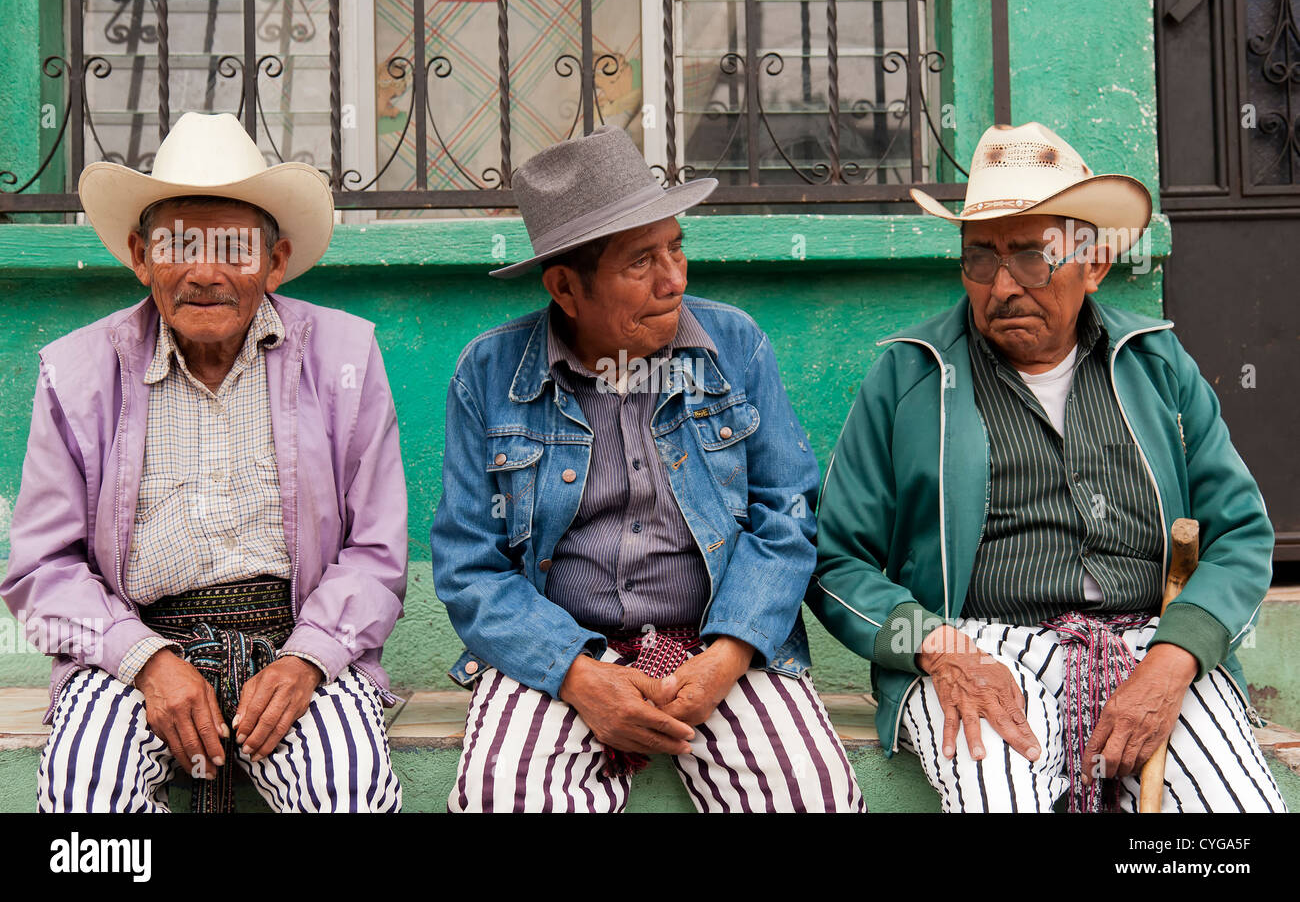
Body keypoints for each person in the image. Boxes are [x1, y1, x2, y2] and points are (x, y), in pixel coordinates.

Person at [810, 121, 1286, 812]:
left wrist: (1175, 660)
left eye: (1033, 257)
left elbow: (1239, 535)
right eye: (981, 258)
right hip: (973, 647)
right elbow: (837, 563)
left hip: (1153, 643)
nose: (1003, 285)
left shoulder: (1155, 365)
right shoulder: (909, 375)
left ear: (1092, 263)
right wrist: (939, 649)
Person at [431, 126, 864, 812]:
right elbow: (468, 564)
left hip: (722, 637)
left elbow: (789, 515)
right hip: (559, 646)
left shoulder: (735, 347)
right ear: (567, 289)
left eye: (676, 248)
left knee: (812, 796)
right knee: (504, 798)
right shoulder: (490, 374)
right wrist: (576, 673)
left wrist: (728, 654)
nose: (674, 279)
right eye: (641, 263)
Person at [2, 112, 407, 812]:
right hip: (129, 649)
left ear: (275, 261)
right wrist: (145, 660)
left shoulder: (345, 356)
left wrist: (310, 655)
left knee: (348, 793)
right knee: (81, 799)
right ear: (140, 254)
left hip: (300, 642)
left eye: (233, 247)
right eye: (178, 244)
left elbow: (375, 552)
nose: (204, 271)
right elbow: (40, 572)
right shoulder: (76, 373)